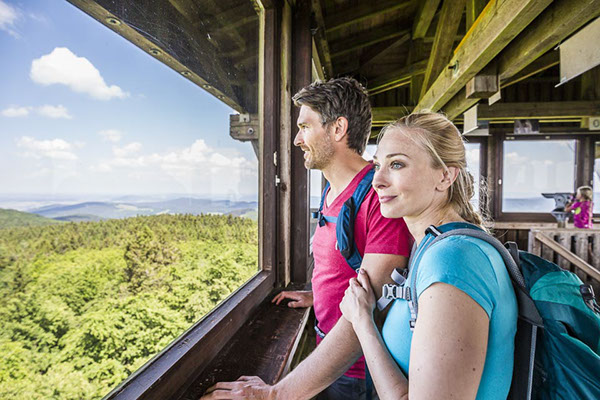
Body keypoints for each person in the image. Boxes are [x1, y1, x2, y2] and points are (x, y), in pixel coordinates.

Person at [201, 78, 412, 399]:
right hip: (327, 355)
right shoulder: (333, 190)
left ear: (338, 128)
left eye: (305, 127)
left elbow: (371, 306)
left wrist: (273, 395)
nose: (297, 139)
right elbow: (348, 269)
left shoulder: (378, 198)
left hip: (359, 372)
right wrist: (320, 296)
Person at [339, 112, 518, 400]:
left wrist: (363, 323)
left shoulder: (454, 260)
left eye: (397, 164)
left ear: (445, 176)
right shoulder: (437, 247)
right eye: (377, 165)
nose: (377, 181)